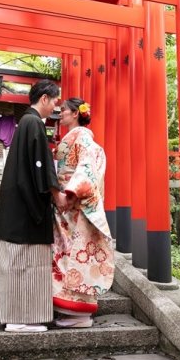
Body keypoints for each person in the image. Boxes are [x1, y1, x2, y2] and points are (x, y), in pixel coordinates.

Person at [0, 79, 66, 332]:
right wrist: (56, 195)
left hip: (15, 206)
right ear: (44, 99)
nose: (55, 107)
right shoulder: (33, 124)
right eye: (54, 101)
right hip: (26, 210)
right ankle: (19, 319)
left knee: (15, 262)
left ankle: (11, 315)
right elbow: (42, 167)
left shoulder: (25, 123)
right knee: (24, 262)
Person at [51, 98, 113, 328]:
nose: (60, 114)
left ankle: (79, 314)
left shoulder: (83, 136)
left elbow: (86, 167)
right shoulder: (77, 137)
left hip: (72, 202)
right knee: (65, 253)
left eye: (64, 111)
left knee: (73, 252)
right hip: (67, 203)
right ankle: (70, 310)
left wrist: (71, 192)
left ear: (76, 113)